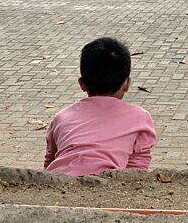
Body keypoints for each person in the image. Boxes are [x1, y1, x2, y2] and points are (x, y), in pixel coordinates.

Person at [44, 37, 157, 176]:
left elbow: (50, 160)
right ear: (127, 83)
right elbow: (137, 169)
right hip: (106, 187)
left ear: (82, 84)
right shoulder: (141, 118)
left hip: (60, 182)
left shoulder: (61, 117)